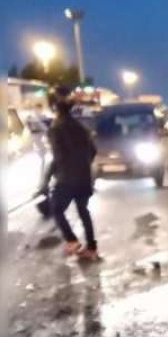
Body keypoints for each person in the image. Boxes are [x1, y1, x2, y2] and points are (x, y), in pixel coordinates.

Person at [38, 88, 99, 260]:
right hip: (84, 177)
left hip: (66, 178)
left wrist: (45, 180)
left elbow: (57, 158)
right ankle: (92, 248)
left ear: (54, 109)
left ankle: (71, 240)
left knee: (56, 209)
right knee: (83, 211)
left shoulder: (55, 129)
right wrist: (82, 163)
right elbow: (93, 151)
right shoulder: (81, 128)